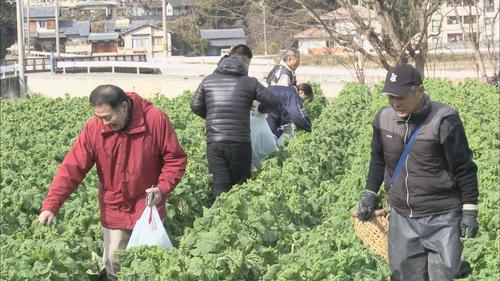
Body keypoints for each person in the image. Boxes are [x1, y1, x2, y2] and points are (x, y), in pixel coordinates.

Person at [38, 85, 187, 280]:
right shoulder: (94, 127)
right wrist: (51, 205)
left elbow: (175, 159)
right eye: (99, 117)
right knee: (114, 264)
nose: (105, 123)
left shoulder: (155, 120)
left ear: (124, 106)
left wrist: (162, 189)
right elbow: (72, 167)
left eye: (108, 117)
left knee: (151, 266)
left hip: (148, 206)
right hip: (114, 208)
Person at [356, 64, 479, 281]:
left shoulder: (444, 120)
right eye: (391, 97)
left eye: (402, 96)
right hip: (402, 217)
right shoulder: (383, 119)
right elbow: (378, 159)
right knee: (404, 276)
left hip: (442, 216)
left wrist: (469, 211)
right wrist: (370, 193)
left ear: (419, 90)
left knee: (442, 276)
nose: (396, 102)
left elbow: (464, 168)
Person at [190, 44, 279, 200]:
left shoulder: (208, 81)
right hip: (240, 141)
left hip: (215, 141)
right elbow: (274, 101)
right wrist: (260, 110)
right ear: (245, 62)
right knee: (240, 185)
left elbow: (195, 105)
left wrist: (213, 119)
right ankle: (240, 221)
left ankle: (220, 218)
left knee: (219, 184)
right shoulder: (250, 82)